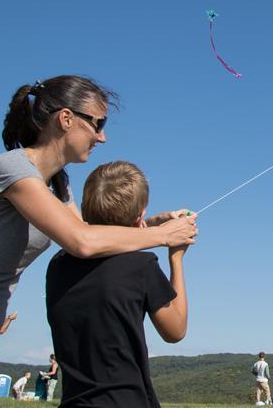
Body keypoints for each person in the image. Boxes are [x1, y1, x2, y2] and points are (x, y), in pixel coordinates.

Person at [0, 76, 198, 408]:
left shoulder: (57, 187)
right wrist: (163, 238)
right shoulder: (12, 170)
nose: (102, 137)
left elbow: (90, 236)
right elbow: (82, 242)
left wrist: (149, 223)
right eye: (98, 123)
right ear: (66, 119)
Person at [46, 161, 190, 407]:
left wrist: (155, 225)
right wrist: (176, 258)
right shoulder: (141, 265)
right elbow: (175, 331)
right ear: (139, 216)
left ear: (83, 207)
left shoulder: (58, 263)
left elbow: (111, 246)